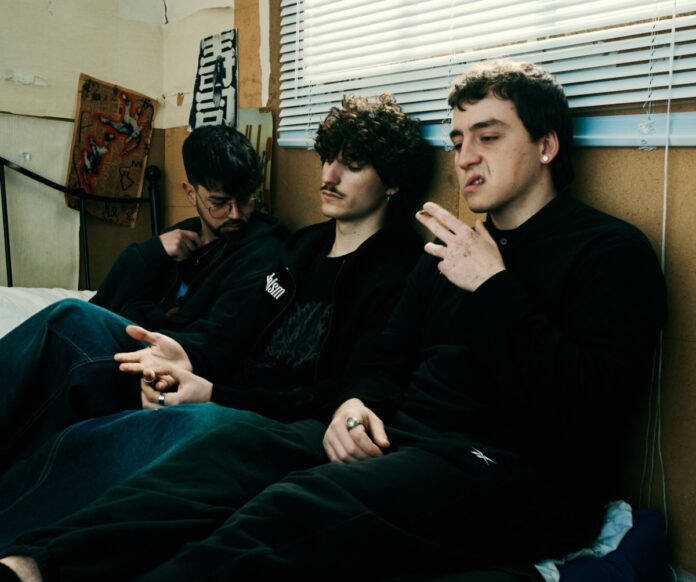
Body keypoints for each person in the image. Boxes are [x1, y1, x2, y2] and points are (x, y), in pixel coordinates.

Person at [0, 60, 666, 581]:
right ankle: (35, 565)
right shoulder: (448, 249)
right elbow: (384, 364)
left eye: (488, 137)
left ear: (547, 145)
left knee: (291, 510)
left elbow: (587, 403)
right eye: (458, 139)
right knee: (231, 455)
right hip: (405, 439)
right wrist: (356, 405)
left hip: (508, 471)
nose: (465, 157)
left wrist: (492, 287)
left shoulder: (609, 251)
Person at [0, 94, 431, 546]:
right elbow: (238, 331)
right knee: (74, 321)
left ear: (392, 182)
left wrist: (212, 392)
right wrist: (185, 357)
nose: (329, 176)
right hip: (223, 386)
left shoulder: (398, 270)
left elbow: (344, 390)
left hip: (269, 416)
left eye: (352, 165)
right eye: (328, 160)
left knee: (167, 430)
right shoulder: (302, 249)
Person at [0, 124, 287, 473]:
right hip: (138, 352)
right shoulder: (181, 238)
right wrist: (152, 251)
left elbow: (219, 340)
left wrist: (146, 315)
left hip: (168, 365)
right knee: (64, 332)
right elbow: (106, 302)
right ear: (191, 192)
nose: (236, 214)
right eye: (219, 203)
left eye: (245, 199)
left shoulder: (262, 253)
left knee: (69, 320)